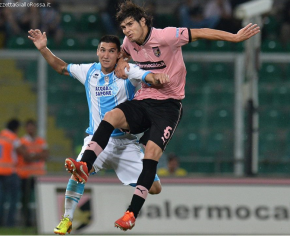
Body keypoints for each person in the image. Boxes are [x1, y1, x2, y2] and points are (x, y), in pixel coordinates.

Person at [66, 1, 260, 231]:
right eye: (124, 27)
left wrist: (234, 37)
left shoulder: (167, 36)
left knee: (151, 156)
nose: (127, 31)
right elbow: (122, 54)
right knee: (111, 117)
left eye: (130, 25)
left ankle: (131, 214)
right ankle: (84, 165)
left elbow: (201, 32)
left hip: (168, 107)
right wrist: (121, 61)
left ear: (143, 22)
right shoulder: (128, 42)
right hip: (144, 99)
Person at [27, 29, 168, 234]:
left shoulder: (127, 71)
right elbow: (61, 67)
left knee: (155, 188)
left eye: (111, 51)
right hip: (97, 141)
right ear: (97, 52)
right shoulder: (89, 71)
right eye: (102, 50)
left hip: (125, 143)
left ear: (119, 54)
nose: (106, 55)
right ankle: (67, 219)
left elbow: (147, 74)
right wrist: (43, 48)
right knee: (78, 173)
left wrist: (150, 72)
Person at [0, 119, 40, 227]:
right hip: (9, 171)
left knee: (1, 197)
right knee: (14, 198)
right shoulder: (13, 138)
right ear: (16, 128)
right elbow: (22, 153)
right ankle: (10, 223)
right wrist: (33, 156)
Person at [17, 119, 49, 227]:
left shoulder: (41, 141)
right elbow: (26, 158)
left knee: (40, 199)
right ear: (26, 128)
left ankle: (41, 222)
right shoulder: (22, 141)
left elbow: (46, 155)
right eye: (29, 127)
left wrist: (32, 155)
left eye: (32, 127)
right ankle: (27, 223)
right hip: (25, 175)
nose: (31, 129)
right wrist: (38, 155)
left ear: (35, 128)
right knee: (26, 200)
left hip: (39, 175)